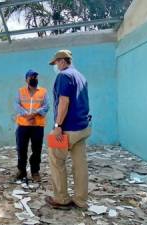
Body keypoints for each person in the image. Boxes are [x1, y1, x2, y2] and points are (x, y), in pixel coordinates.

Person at [45, 50, 92, 209]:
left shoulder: (64, 76)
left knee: (56, 160)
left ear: (62, 61)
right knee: (80, 164)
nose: (56, 66)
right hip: (83, 127)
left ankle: (61, 199)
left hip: (68, 129)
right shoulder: (80, 76)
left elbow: (64, 102)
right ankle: (81, 200)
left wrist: (58, 126)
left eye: (56, 63)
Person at [14, 69, 49, 182]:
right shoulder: (20, 91)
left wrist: (34, 113)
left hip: (37, 125)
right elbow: (17, 105)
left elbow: (46, 106)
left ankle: (35, 171)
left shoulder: (43, 91)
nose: (34, 78)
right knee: (21, 149)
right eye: (31, 77)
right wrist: (27, 115)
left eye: (36, 77)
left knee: (37, 149)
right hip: (23, 125)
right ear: (26, 79)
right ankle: (21, 171)